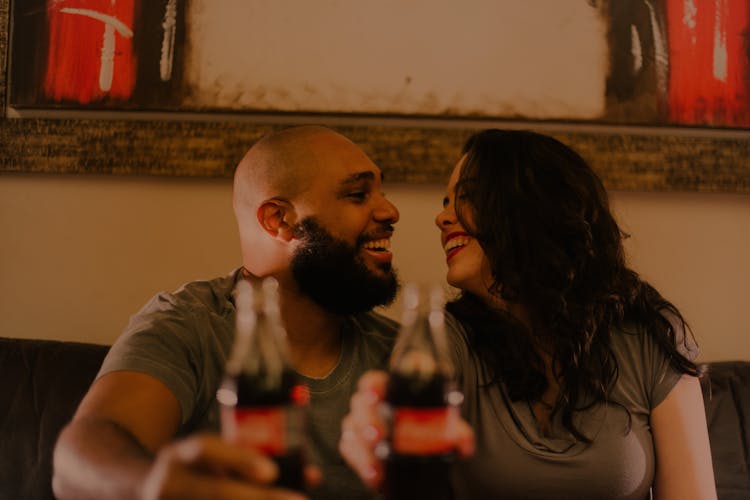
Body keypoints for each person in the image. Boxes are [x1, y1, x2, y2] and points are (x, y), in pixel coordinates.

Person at [340, 129, 717, 499]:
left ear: (534, 208)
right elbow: (406, 408)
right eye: (444, 201)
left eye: (467, 197)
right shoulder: (449, 338)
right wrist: (380, 427)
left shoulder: (649, 334)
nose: (442, 218)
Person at [52, 125, 402, 500]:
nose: (390, 211)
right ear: (279, 220)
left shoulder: (401, 352)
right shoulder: (188, 325)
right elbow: (79, 459)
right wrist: (150, 485)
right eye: (358, 194)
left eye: (381, 191)